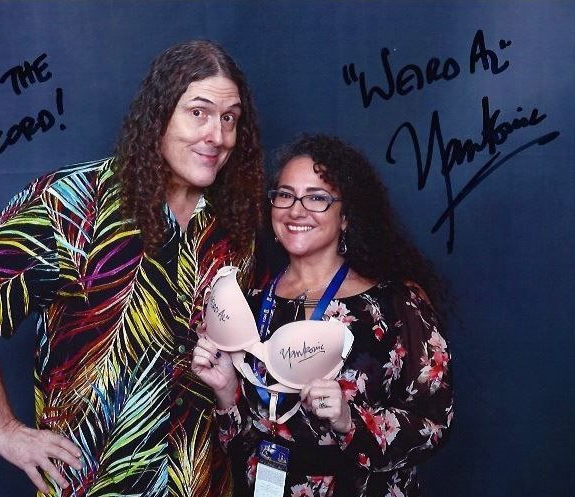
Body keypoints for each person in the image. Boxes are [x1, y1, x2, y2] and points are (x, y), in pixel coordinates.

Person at [0, 40, 264, 497]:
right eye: (199, 112)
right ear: (160, 115)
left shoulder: (234, 227)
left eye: (230, 118)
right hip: (90, 484)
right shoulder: (71, 203)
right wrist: (4, 427)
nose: (217, 135)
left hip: (202, 483)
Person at [191, 134, 453, 497]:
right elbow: (240, 445)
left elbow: (435, 424)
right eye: (284, 195)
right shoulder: (247, 306)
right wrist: (225, 390)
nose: (296, 210)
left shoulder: (396, 305)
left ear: (345, 217)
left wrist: (350, 421)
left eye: (317, 197)